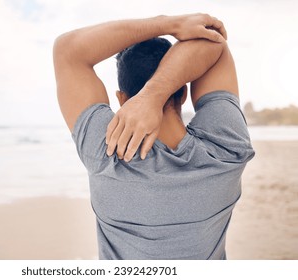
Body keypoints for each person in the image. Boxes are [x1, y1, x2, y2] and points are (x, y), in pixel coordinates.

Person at [53, 13, 255, 260]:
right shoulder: (227, 149)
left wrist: (169, 24)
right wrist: (156, 93)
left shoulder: (107, 152)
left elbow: (67, 50)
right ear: (183, 93)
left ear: (122, 99)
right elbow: (214, 42)